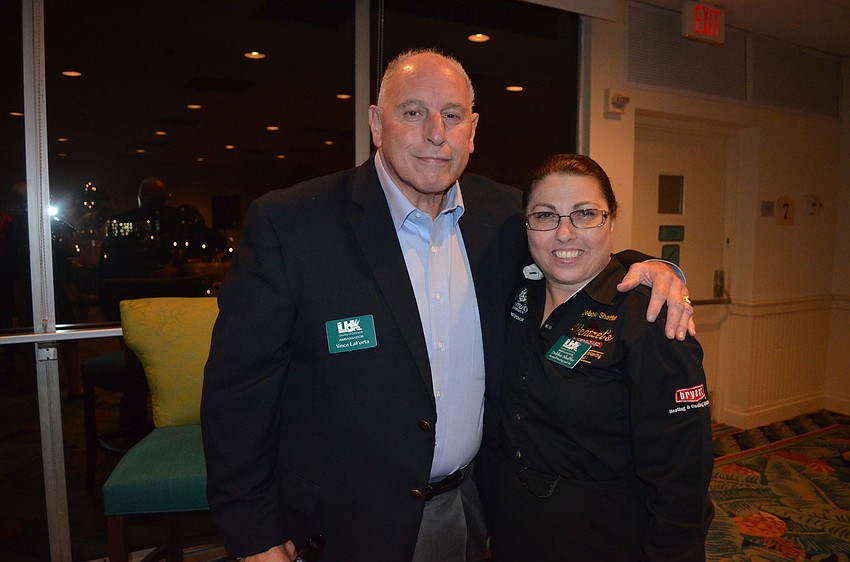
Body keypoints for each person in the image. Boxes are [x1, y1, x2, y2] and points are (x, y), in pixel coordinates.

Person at [201, 49, 694, 562]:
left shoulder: (503, 217)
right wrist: (251, 529)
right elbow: (237, 394)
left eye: (452, 115)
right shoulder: (292, 225)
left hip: (473, 505)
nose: (436, 132)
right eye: (413, 112)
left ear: (472, 129)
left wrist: (655, 270)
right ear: (376, 123)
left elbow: (574, 246)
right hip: (341, 523)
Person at [491, 154, 714, 561]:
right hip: (515, 529)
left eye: (585, 214)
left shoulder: (650, 318)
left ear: (611, 221)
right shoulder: (519, 295)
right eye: (545, 215)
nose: (564, 233)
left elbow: (682, 475)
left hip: (602, 535)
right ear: (527, 227)